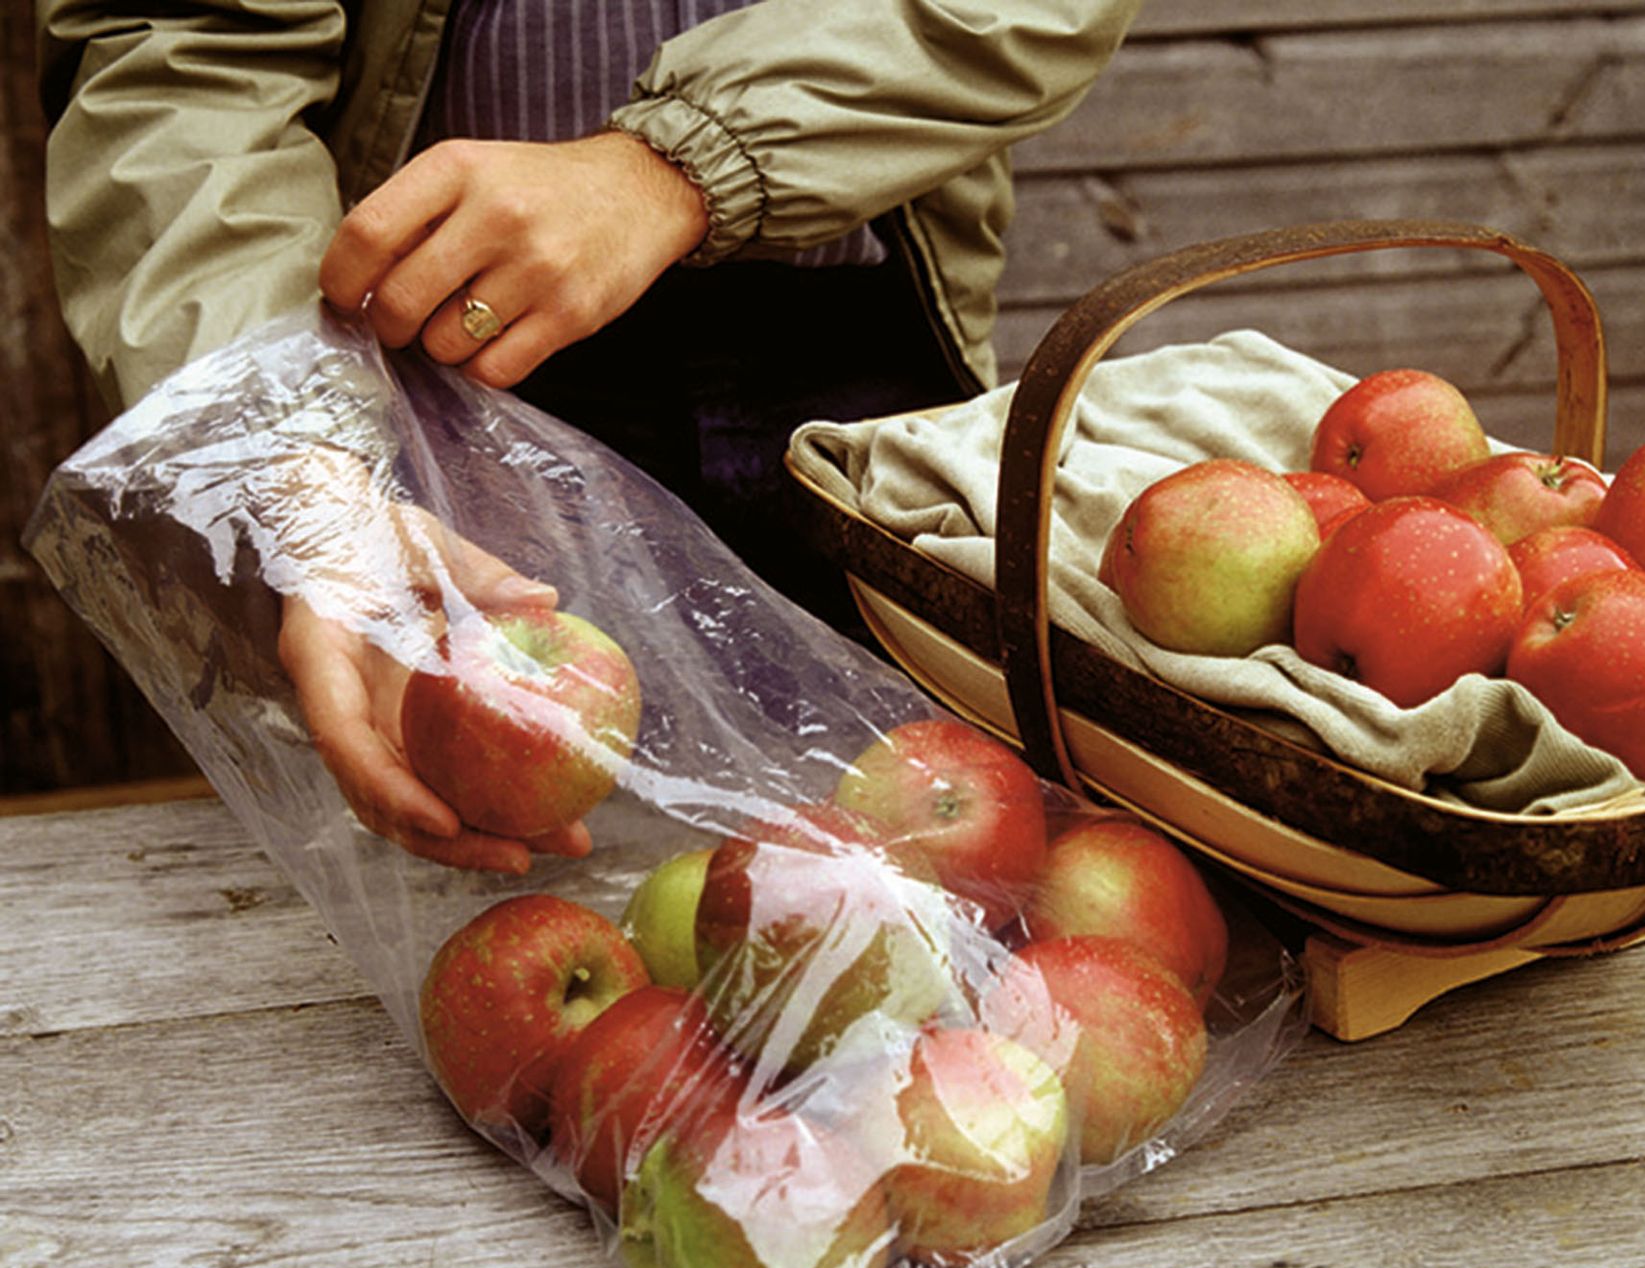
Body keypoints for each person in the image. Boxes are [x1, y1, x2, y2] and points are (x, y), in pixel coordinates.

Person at [39, 0, 1141, 870]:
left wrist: (676, 165)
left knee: (942, 904)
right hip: (415, 390)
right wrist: (299, 458)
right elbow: (180, 46)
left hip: (858, 375)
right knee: (470, 901)